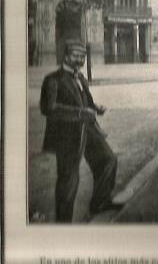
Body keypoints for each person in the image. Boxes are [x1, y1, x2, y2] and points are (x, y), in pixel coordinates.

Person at [40, 40, 118, 222]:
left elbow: (85, 101)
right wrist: (81, 113)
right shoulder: (52, 79)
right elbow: (48, 109)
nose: (80, 59)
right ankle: (64, 222)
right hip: (66, 134)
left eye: (82, 56)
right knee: (68, 179)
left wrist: (95, 107)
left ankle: (100, 202)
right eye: (76, 55)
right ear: (66, 56)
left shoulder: (81, 77)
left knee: (108, 159)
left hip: (88, 129)